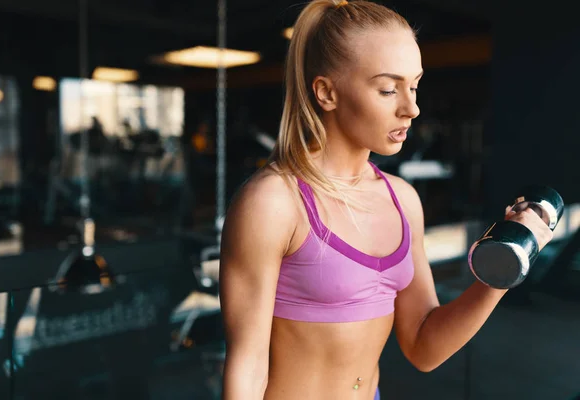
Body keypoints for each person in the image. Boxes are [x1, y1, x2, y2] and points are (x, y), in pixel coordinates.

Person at [218, 1, 553, 399]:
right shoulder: (273, 202)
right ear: (326, 92)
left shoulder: (403, 200)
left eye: (414, 86)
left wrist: (504, 269)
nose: (411, 108)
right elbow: (247, 370)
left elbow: (423, 347)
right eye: (388, 89)